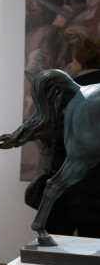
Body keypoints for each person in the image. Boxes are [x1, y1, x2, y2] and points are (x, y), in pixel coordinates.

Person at [39, 36, 100, 236]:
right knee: (92, 251)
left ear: (82, 60)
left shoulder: (72, 91)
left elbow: (59, 138)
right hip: (97, 191)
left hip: (68, 185)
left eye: (74, 59)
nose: (72, 64)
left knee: (55, 247)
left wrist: (45, 134)